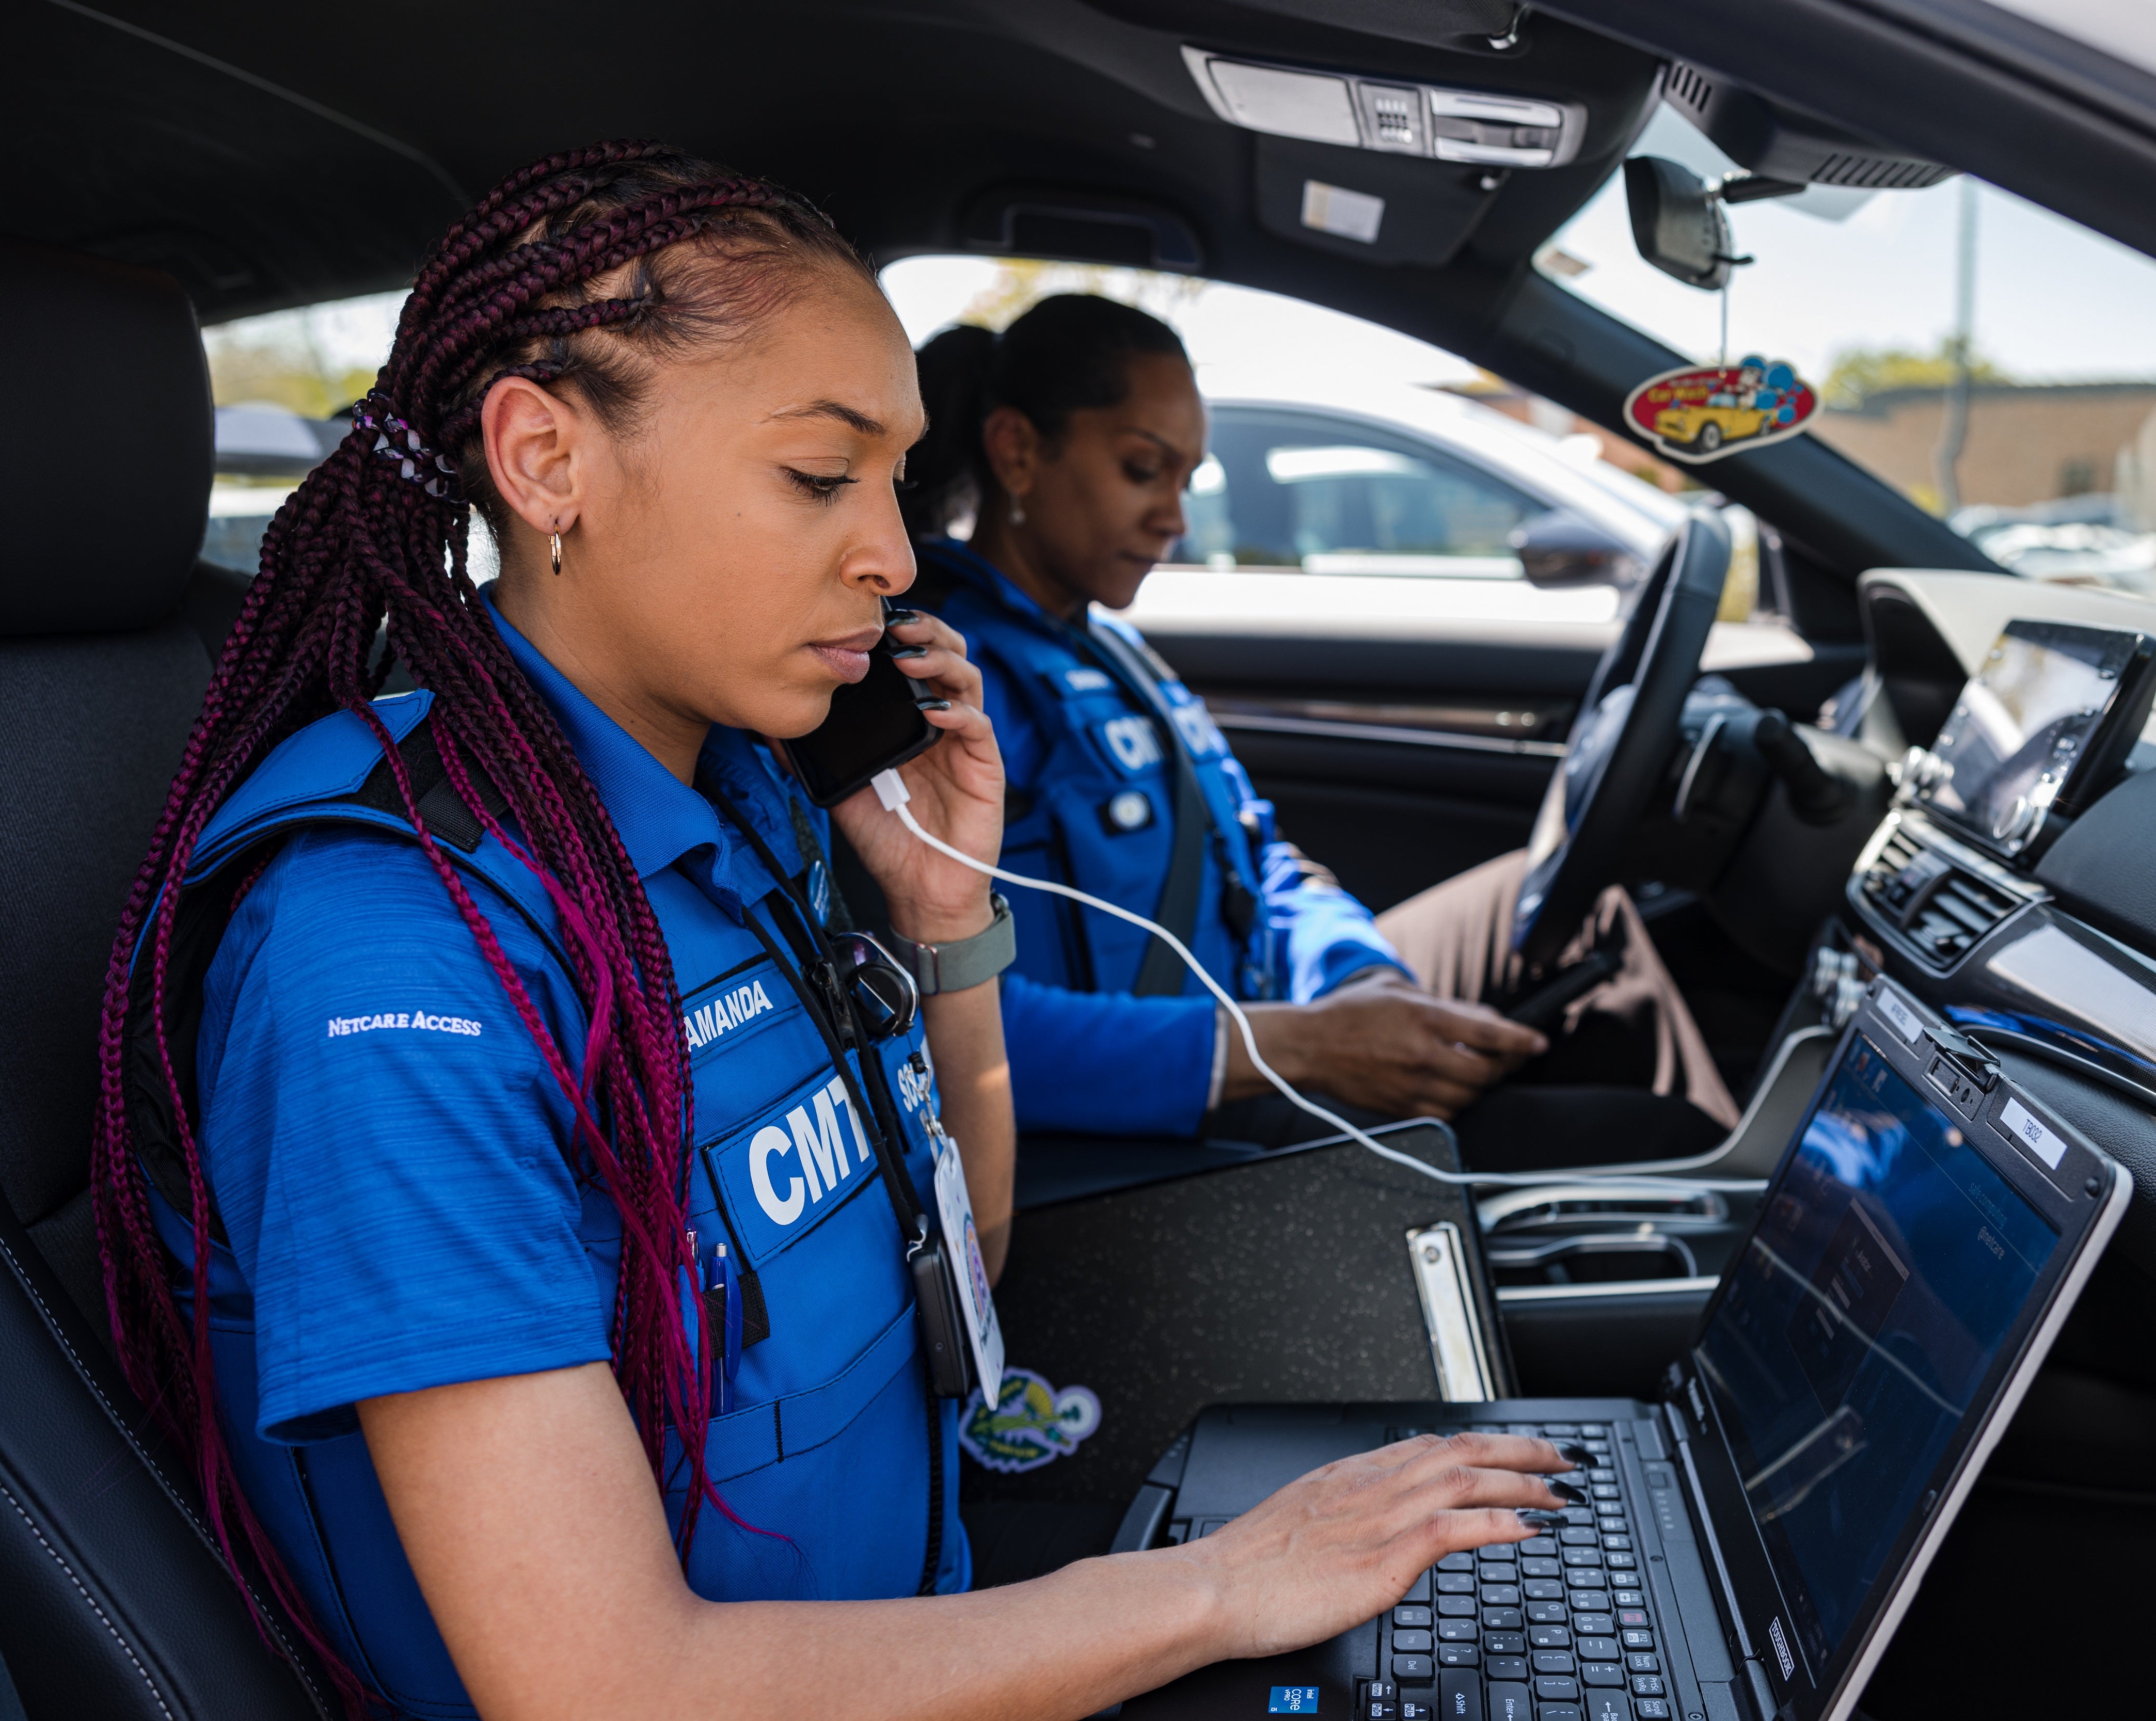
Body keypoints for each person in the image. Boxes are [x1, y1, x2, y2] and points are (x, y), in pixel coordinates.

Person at [89, 146, 1572, 1721]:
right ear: (545, 459)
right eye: (818, 475)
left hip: (925, 1631)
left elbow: (957, 1267)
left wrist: (945, 922)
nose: (896, 555)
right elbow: (606, 1685)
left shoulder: (747, 813)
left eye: (894, 480)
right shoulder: (394, 962)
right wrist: (1216, 1586)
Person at [895, 297, 1739, 1173]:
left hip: (1275, 1014)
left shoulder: (1110, 648)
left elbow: (1259, 855)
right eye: (1144, 470)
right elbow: (952, 1029)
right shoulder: (946, 683)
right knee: (1659, 1141)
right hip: (1168, 1131)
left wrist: (1357, 977)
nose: (1176, 519)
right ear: (1018, 451)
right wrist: (1299, 1048)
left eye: (1187, 480)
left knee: (1589, 915)